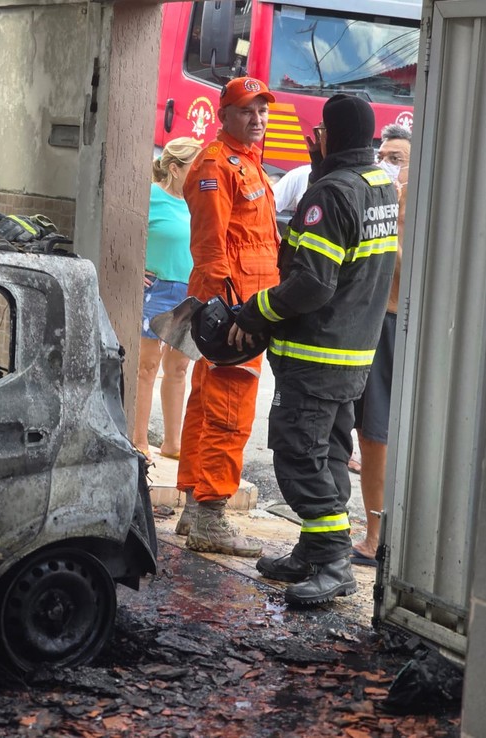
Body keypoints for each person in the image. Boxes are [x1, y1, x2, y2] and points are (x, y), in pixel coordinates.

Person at [230, 94, 398, 605]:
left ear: (328, 135)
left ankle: (332, 564)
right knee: (330, 452)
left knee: (299, 455)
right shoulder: (379, 185)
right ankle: (313, 550)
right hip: (353, 355)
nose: (314, 139)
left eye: (320, 131)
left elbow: (312, 286)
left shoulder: (331, 193)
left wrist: (253, 312)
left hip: (317, 355)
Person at [173, 77, 281, 556]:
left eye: (261, 110)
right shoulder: (217, 165)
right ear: (224, 114)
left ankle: (196, 509)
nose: (256, 118)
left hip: (246, 305)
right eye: (246, 110)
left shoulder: (249, 163)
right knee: (228, 406)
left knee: (207, 399)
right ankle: (211, 514)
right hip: (236, 310)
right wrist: (232, 311)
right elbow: (211, 247)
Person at [350, 122, 412, 566]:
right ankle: (376, 531)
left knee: (378, 436)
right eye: (383, 156)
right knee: (370, 435)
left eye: (397, 160)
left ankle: (377, 539)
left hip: (396, 326)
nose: (385, 166)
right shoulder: (379, 200)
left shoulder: (415, 208)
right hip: (372, 324)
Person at [133, 137, 202, 460]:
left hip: (189, 290)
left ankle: (173, 443)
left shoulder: (198, 202)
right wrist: (134, 268)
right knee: (146, 366)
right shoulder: (149, 197)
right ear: (174, 169)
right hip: (156, 288)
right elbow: (126, 233)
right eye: (194, 167)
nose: (201, 173)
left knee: (178, 368)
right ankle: (138, 440)